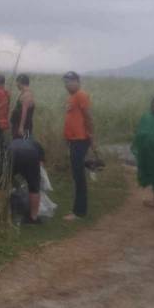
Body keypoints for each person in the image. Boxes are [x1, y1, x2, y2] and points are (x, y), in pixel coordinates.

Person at [62, 71, 94, 221]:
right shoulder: (71, 97)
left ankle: (79, 212)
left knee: (79, 176)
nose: (67, 85)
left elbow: (88, 116)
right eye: (65, 82)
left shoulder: (81, 95)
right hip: (73, 140)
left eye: (70, 81)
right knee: (76, 174)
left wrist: (91, 135)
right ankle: (78, 209)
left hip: (81, 139)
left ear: (77, 81)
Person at [9, 138, 45, 225]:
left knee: (5, 183)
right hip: (31, 155)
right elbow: (41, 166)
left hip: (12, 153)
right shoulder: (37, 146)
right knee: (34, 188)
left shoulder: (14, 142)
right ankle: (33, 218)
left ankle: (7, 215)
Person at [11, 74, 36, 139]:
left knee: (24, 142)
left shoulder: (27, 95)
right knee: (18, 142)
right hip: (19, 124)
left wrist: (21, 127)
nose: (16, 85)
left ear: (19, 82)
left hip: (24, 126)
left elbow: (24, 112)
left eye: (17, 82)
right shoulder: (24, 93)